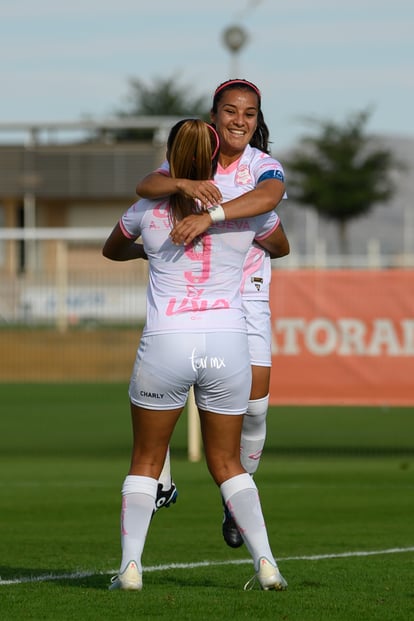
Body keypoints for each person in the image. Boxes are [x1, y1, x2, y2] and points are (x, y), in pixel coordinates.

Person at [103, 118, 288, 592]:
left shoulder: (149, 205)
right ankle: (266, 563)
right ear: (213, 158)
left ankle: (129, 569)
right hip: (228, 343)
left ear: (170, 158)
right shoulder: (242, 210)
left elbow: (113, 248)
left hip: (167, 341)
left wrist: (147, 253)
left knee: (146, 459)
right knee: (227, 462)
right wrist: (236, 228)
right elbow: (279, 242)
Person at [136, 79, 288, 548]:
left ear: (257, 121)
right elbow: (147, 186)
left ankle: (232, 497)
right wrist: (181, 182)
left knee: (256, 408)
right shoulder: (194, 162)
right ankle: (159, 478)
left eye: (249, 113)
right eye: (230, 110)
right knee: (164, 384)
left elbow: (272, 207)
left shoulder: (262, 165)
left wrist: (214, 216)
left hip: (246, 297)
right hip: (195, 303)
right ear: (214, 115)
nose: (239, 120)